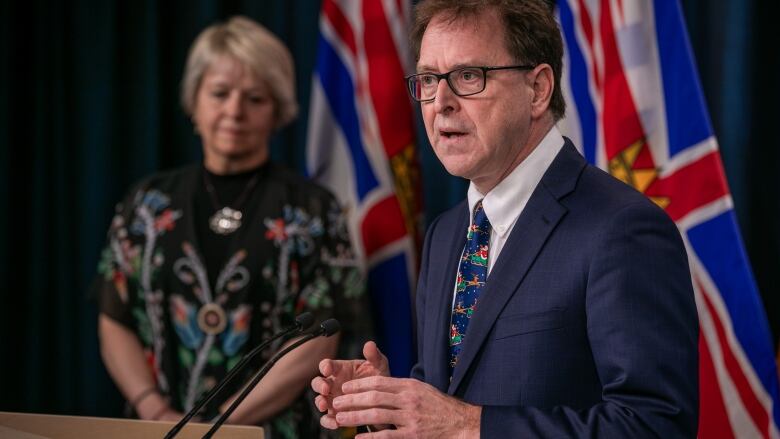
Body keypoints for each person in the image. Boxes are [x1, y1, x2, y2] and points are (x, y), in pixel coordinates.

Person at [311, 0, 699, 437]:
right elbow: (448, 401)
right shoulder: (446, 234)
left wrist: (468, 426)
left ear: (537, 89)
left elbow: (655, 425)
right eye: (427, 80)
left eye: (467, 76)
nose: (441, 103)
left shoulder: (622, 229)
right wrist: (390, 406)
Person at [94, 16, 369, 437]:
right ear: (194, 101)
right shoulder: (146, 204)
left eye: (255, 98)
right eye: (220, 93)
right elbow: (115, 316)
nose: (234, 111)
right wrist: (155, 411)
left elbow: (319, 335)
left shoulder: (314, 209)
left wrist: (217, 425)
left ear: (277, 110)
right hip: (156, 430)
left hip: (269, 432)